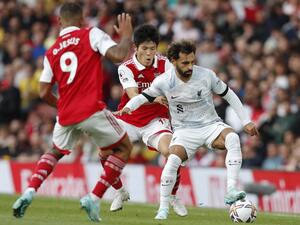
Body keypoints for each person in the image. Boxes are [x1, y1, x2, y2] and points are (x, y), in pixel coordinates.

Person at [12, 2, 133, 222]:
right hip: (91, 109)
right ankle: (94, 197)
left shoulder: (51, 51)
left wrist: (63, 106)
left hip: (66, 114)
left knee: (55, 151)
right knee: (124, 148)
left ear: (59, 22)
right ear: (82, 19)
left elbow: (43, 91)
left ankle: (29, 190)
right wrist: (126, 36)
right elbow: (118, 55)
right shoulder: (91, 34)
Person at [118, 40, 259, 220]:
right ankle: (163, 208)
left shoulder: (207, 75)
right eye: (185, 62)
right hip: (184, 131)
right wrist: (128, 107)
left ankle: (231, 189)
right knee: (172, 159)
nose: (190, 66)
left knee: (232, 138)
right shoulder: (164, 81)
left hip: (210, 125)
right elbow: (143, 97)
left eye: (192, 61)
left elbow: (229, 94)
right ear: (173, 61)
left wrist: (246, 121)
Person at [101, 24, 187, 216]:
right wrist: (155, 98)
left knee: (173, 152)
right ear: (135, 48)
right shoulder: (126, 68)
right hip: (129, 118)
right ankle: (120, 191)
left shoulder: (166, 65)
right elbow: (133, 96)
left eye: (153, 48)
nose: (149, 53)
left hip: (156, 120)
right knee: (104, 152)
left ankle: (172, 196)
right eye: (145, 48)